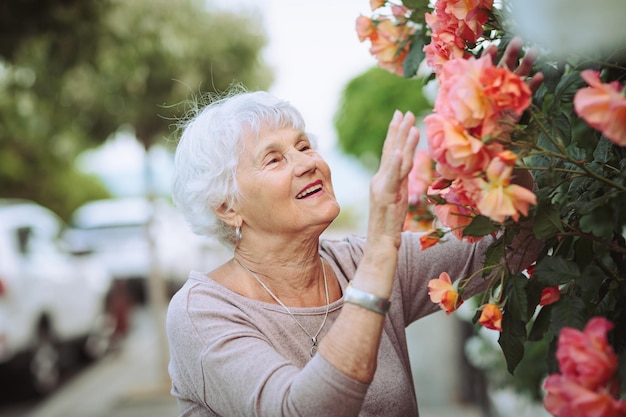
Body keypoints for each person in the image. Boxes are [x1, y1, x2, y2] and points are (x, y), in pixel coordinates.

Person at [166, 39, 544, 417]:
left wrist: (499, 146)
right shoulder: (201, 312)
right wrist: (381, 246)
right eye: (275, 159)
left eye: (303, 146)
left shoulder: (356, 260)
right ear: (228, 207)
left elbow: (516, 244)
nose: (306, 163)